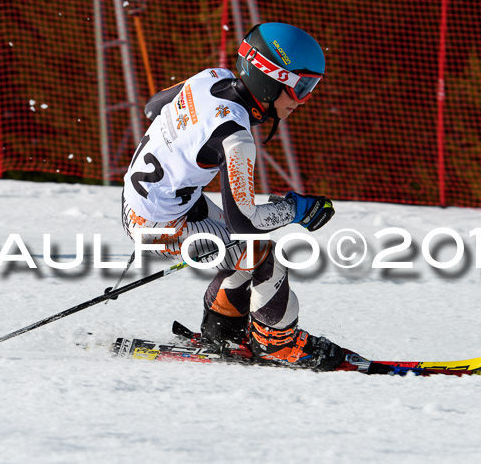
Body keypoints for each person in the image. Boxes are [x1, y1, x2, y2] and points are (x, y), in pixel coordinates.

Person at [121, 22, 344, 371]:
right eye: (301, 86)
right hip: (158, 226)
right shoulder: (235, 135)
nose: (305, 98)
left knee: (245, 254)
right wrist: (298, 209)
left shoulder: (211, 77)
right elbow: (246, 222)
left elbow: (153, 107)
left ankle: (222, 330)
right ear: (271, 81)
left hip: (152, 203)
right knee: (262, 254)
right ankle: (277, 344)